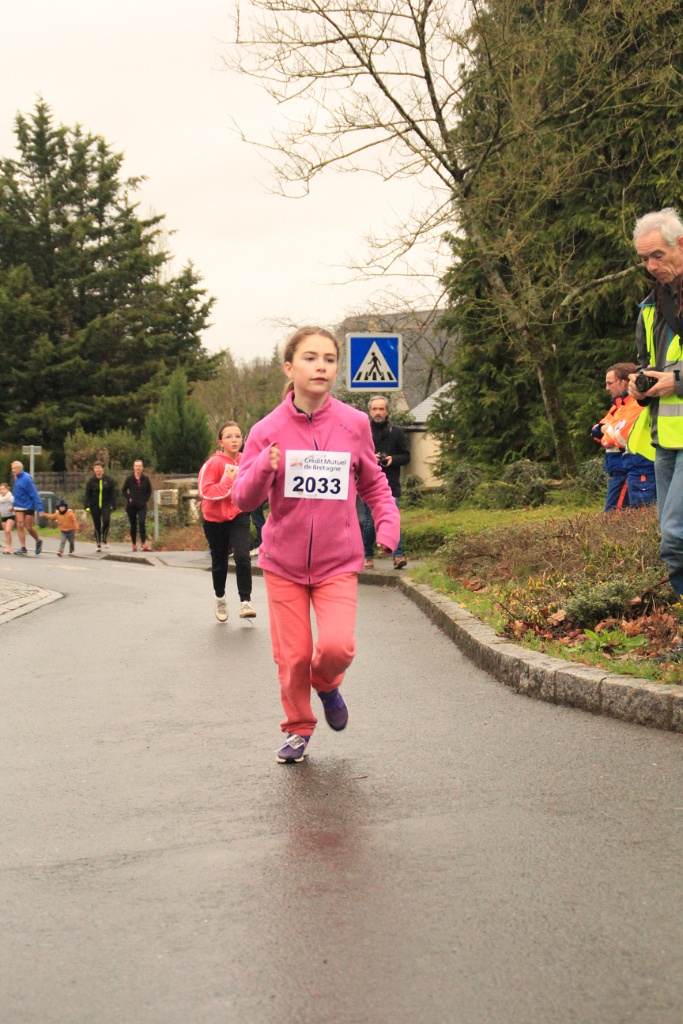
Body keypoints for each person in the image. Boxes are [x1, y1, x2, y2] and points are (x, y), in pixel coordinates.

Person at [232, 326, 400, 764]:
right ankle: (298, 728)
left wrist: (388, 526)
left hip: (337, 560)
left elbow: (374, 484)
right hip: (283, 563)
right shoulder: (266, 429)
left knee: (337, 647)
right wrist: (264, 467)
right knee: (293, 657)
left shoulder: (354, 423)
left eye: (329, 358)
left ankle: (326, 685)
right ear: (289, 368)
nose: (321, 366)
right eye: (310, 357)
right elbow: (243, 499)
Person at [628, 208, 683, 658]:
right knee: (672, 545)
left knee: (676, 535)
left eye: (658, 255)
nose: (651, 266)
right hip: (665, 438)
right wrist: (639, 385)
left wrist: (676, 381)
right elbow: (649, 363)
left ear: (681, 245)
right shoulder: (652, 305)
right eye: (644, 259)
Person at [198, 421, 256, 622]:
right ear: (220, 442)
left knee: (242, 556)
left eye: (238, 436)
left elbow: (255, 484)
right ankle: (220, 598)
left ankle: (245, 601)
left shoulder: (247, 461)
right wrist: (228, 480)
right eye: (229, 437)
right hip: (214, 518)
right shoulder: (213, 463)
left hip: (238, 513)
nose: (234, 440)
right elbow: (205, 491)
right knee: (220, 560)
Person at [591, 362, 655, 511]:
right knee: (619, 514)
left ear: (624, 382)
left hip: (630, 466)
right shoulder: (618, 406)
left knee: (616, 514)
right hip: (620, 468)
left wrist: (607, 430)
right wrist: (607, 429)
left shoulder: (636, 403)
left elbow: (619, 435)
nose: (607, 388)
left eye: (610, 383)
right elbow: (596, 430)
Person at [361, 395, 411, 569]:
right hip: (369, 484)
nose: (378, 412)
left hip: (391, 484)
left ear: (387, 411)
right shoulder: (363, 432)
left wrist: (392, 459)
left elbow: (406, 456)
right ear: (369, 411)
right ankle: (367, 555)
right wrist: (370, 458)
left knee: (392, 519)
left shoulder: (396, 432)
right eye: (374, 409)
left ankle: (398, 556)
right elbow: (355, 456)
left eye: (381, 409)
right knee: (370, 522)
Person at [10, 461, 43, 556]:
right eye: (12, 468)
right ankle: (23, 547)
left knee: (28, 526)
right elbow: (17, 492)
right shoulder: (16, 478)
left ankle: (38, 541)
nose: (13, 470)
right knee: (19, 524)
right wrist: (13, 504)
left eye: (14, 468)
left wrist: (40, 507)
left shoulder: (27, 478)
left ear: (20, 469)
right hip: (19, 504)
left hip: (29, 504)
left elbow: (34, 493)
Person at [84, 461, 116, 551]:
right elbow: (87, 494)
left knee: (106, 521)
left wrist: (113, 504)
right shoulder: (91, 481)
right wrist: (86, 505)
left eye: (99, 468)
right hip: (94, 505)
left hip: (106, 504)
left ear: (102, 469)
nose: (97, 470)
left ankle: (104, 539)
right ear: (94, 469)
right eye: (96, 468)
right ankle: (98, 543)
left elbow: (112, 493)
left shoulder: (108, 480)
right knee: (97, 524)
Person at [121, 459, 152, 551]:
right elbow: (124, 490)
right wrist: (129, 498)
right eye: (136, 466)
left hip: (142, 505)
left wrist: (144, 500)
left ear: (142, 467)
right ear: (134, 467)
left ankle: (143, 543)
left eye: (139, 466)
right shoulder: (129, 479)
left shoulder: (145, 479)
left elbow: (149, 491)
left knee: (142, 522)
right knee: (133, 524)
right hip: (132, 506)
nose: (138, 467)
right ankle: (134, 544)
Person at [0, 482, 15, 554]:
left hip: (10, 516)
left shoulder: (10, 497)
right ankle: (8, 546)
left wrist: (12, 507)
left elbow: (15, 504)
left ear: (7, 489)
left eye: (3, 489)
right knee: (6, 532)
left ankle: (9, 546)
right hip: (3, 516)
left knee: (8, 530)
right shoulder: (0, 498)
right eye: (0, 489)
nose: (2, 491)